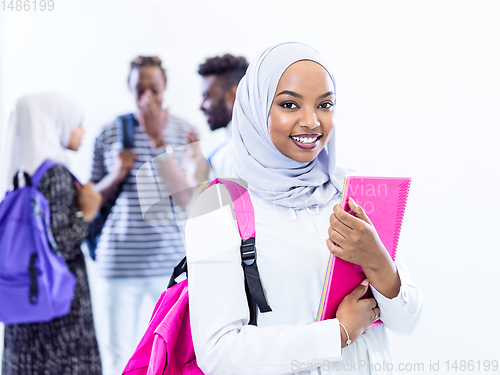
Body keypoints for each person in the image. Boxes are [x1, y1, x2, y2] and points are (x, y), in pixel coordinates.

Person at [185, 42, 423, 374]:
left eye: (324, 104)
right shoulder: (218, 207)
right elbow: (218, 353)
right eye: (289, 104)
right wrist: (335, 335)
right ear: (256, 107)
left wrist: (378, 262)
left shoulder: (353, 189)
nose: (311, 121)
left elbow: (407, 321)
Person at [90, 55, 198, 375]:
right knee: (117, 356)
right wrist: (116, 174)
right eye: (139, 89)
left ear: (166, 87)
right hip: (117, 261)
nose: (147, 97)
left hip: (168, 265)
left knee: (170, 353)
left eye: (154, 89)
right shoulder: (110, 133)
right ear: (129, 87)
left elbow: (188, 199)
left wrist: (157, 141)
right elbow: (91, 203)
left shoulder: (184, 132)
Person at [1, 93, 102, 375]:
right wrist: (87, 214)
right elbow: (61, 244)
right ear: (53, 122)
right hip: (60, 309)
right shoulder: (55, 175)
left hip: (25, 301)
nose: (82, 130)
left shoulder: (19, 176)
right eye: (76, 123)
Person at [193, 53, 248, 179]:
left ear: (233, 94)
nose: (201, 106)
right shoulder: (228, 145)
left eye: (207, 97)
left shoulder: (236, 152)